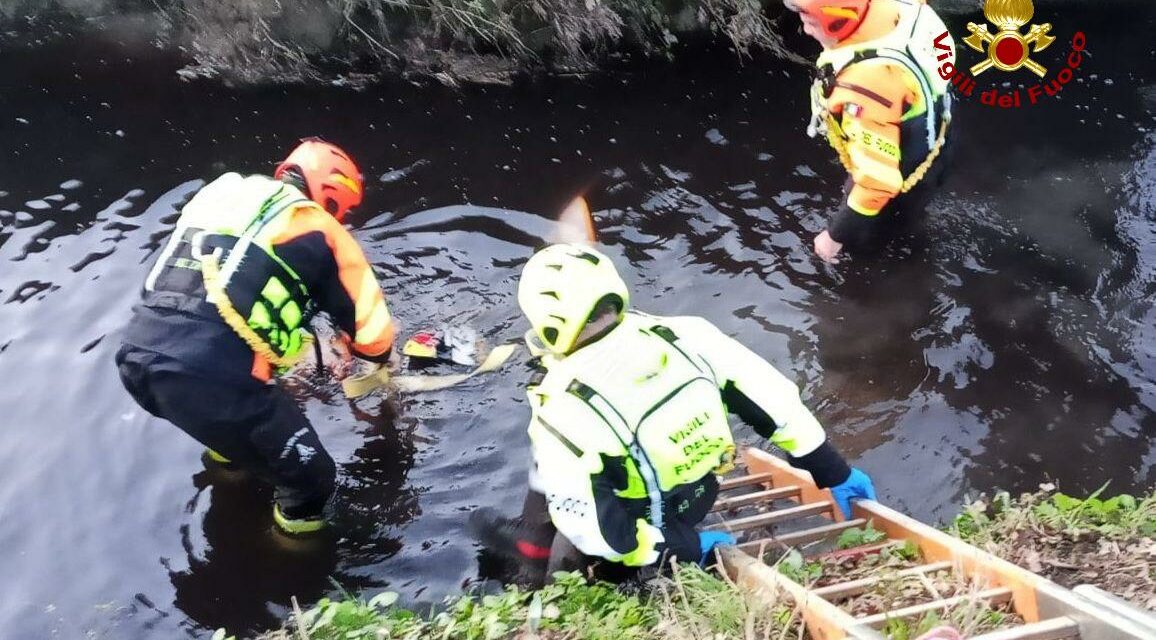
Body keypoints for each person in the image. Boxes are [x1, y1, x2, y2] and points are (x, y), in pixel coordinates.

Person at [472, 243, 875, 582]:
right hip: (699, 494)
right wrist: (833, 470)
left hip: (648, 526)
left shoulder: (563, 405)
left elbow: (599, 532)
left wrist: (680, 548)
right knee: (574, 462)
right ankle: (543, 540)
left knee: (557, 469)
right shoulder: (686, 333)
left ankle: (536, 549)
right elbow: (775, 403)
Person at [115, 139, 396, 534]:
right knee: (313, 480)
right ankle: (296, 566)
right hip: (211, 375)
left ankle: (229, 468)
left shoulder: (221, 192)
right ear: (332, 198)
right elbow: (373, 333)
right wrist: (381, 367)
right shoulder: (323, 229)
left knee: (230, 422)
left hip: (138, 355)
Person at [786, 0, 955, 263]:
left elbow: (877, 183)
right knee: (913, 220)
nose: (806, 31)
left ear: (839, 19)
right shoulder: (901, 6)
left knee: (873, 244)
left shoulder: (868, 84)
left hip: (904, 170)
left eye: (811, 23)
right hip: (936, 138)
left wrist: (834, 236)